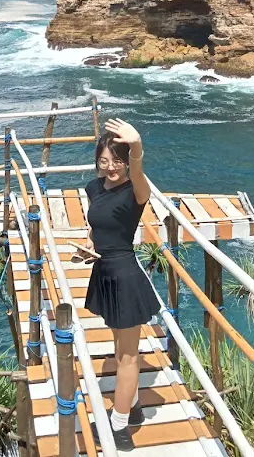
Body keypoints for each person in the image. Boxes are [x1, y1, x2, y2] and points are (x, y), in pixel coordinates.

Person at [79, 117, 158, 452]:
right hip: (104, 271)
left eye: (118, 161)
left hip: (125, 277)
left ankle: (119, 427)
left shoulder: (135, 191)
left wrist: (137, 147)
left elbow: (140, 178)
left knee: (127, 357)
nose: (111, 168)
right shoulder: (94, 188)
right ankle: (135, 405)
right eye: (104, 161)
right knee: (119, 347)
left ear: (127, 162)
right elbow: (95, 226)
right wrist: (89, 247)